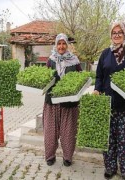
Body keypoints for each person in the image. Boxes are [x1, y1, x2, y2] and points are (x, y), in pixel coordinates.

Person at [93, 21, 125, 180]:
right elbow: (99, 76)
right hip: (108, 103)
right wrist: (96, 89)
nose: (117, 35)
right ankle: (110, 167)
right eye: (114, 32)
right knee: (109, 138)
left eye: (120, 32)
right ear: (111, 35)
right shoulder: (105, 54)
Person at [43, 33, 82, 167]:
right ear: (56, 45)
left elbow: (80, 79)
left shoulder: (74, 61)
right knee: (50, 131)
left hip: (69, 103)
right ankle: (50, 156)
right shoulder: (51, 60)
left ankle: (67, 157)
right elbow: (45, 78)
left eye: (63, 43)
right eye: (59, 43)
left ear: (67, 45)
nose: (61, 46)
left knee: (69, 131)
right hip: (52, 102)